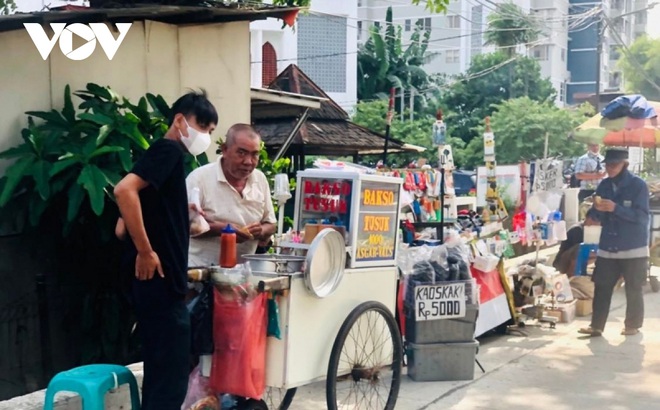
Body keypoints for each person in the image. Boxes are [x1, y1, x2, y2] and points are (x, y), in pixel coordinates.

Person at [114, 90, 218, 409]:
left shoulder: (163, 160)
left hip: (156, 286)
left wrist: (181, 222)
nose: (205, 137)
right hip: (160, 285)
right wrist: (146, 252)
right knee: (170, 381)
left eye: (211, 132)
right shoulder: (168, 151)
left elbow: (120, 227)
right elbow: (123, 190)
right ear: (179, 120)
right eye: (203, 126)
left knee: (161, 376)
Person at [578, 148, 649, 337]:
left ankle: (632, 325)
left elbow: (642, 217)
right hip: (608, 245)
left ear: (624, 165)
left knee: (633, 288)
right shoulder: (604, 186)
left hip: (633, 246)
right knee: (602, 286)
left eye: (614, 165)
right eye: (607, 165)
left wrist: (616, 208)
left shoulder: (638, 186)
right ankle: (596, 325)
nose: (610, 169)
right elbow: (598, 214)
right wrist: (593, 214)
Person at [187, 123, 276, 267]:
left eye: (255, 154)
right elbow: (185, 225)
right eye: (241, 153)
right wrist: (223, 229)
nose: (248, 162)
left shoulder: (259, 179)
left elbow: (271, 224)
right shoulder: (199, 179)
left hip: (243, 273)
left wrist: (261, 231)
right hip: (199, 273)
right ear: (225, 150)